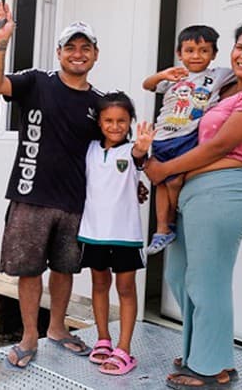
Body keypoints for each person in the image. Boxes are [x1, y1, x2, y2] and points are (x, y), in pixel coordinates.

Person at [143, 17, 242, 388]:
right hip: (194, 192)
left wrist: (163, 170)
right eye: (240, 47)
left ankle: (211, 369)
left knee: (208, 283)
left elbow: (219, 146)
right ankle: (201, 353)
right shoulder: (225, 85)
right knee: (180, 277)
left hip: (223, 191)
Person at [0, 0, 104, 369]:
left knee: (65, 268)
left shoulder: (101, 104)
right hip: (30, 197)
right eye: (71, 47)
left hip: (75, 202)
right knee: (29, 270)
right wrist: (1, 41)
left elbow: (108, 155)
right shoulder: (37, 82)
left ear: (96, 54)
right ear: (59, 52)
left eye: (85, 48)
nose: (78, 54)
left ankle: (57, 328)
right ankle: (28, 336)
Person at [79, 91, 154, 376]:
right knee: (99, 286)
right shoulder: (89, 149)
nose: (114, 126)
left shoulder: (132, 150)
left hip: (125, 235)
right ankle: (103, 339)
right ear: (99, 122)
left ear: (130, 122)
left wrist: (143, 147)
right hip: (93, 233)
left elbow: (138, 158)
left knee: (125, 290)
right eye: (108, 120)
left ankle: (124, 349)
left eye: (121, 120)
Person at [142, 26, 234, 255]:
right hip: (162, 136)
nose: (196, 56)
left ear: (213, 54)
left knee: (173, 181)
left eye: (204, 50)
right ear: (179, 53)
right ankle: (162, 229)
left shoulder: (219, 75)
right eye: (190, 50)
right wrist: (163, 75)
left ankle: (176, 216)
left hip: (187, 136)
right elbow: (147, 84)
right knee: (161, 183)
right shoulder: (175, 76)